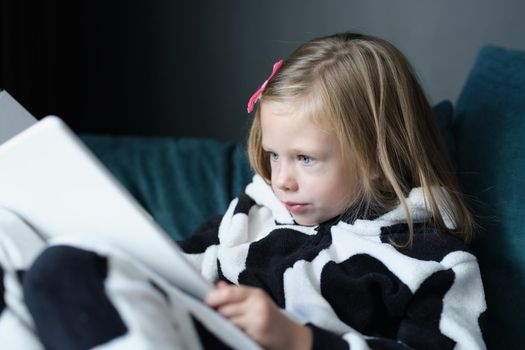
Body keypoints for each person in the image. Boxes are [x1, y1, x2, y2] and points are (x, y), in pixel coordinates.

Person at [0, 32, 486, 349]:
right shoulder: (255, 210)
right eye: (275, 155)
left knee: (62, 275)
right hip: (185, 328)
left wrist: (297, 340)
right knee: (28, 247)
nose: (282, 179)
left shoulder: (430, 260)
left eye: (306, 159)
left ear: (381, 160)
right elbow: (185, 265)